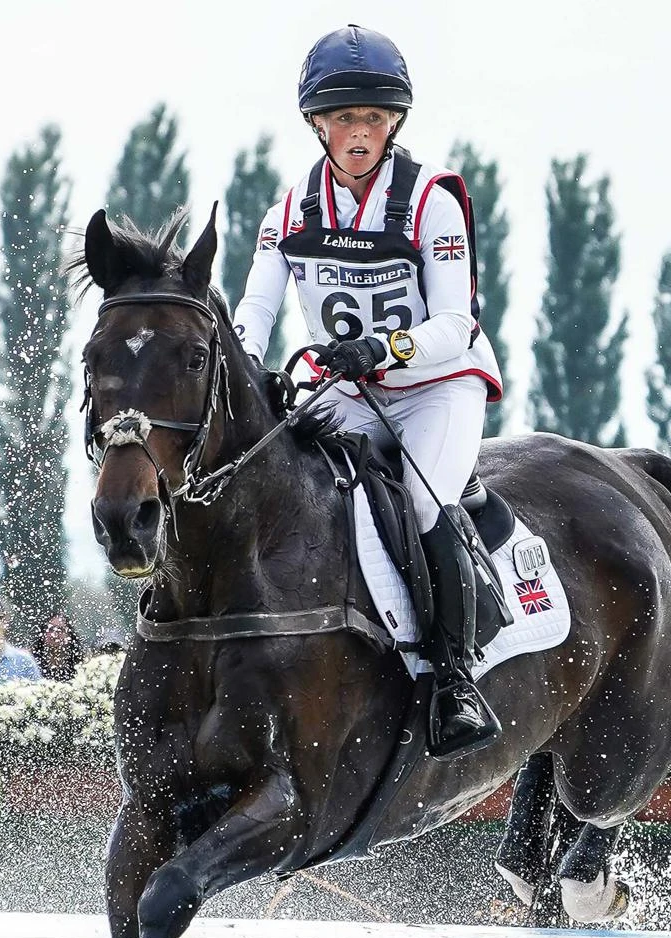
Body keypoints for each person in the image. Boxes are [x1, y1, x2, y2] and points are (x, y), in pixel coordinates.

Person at [233, 25, 504, 759]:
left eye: (375, 118)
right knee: (271, 474)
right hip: (347, 389)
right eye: (345, 117)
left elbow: (456, 323)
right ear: (317, 123)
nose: (360, 133)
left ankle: (454, 680)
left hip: (436, 386)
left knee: (423, 502)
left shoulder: (431, 200)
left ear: (395, 123)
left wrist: (384, 348)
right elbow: (255, 307)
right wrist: (248, 365)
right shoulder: (290, 211)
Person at [31, 612, 84, 682]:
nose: (54, 634)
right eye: (51, 629)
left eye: (60, 630)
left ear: (69, 636)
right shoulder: (32, 661)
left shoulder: (80, 666)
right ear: (43, 633)